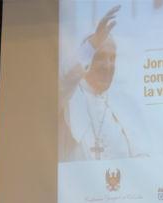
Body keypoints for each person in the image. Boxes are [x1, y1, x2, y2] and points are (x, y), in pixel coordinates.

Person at [60, 5, 142, 161]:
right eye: (100, 57)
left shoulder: (120, 109)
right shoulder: (68, 97)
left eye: (112, 58)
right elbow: (66, 76)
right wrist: (93, 43)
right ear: (86, 59)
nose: (108, 66)